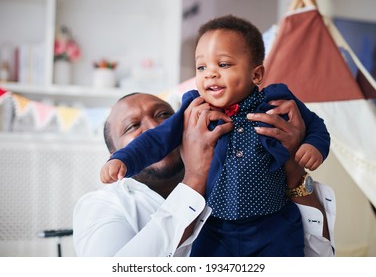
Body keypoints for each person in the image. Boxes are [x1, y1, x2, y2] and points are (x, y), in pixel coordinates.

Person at [100, 15, 331, 256]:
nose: (210, 74)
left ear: (257, 75)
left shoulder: (278, 101)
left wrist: (314, 147)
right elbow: (156, 138)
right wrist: (123, 159)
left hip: (274, 223)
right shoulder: (194, 112)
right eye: (201, 67)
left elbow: (315, 126)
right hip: (215, 227)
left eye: (223, 65)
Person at [73, 92, 335, 257]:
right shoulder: (104, 205)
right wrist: (195, 178)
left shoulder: (241, 178)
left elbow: (319, 257)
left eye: (165, 115)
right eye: (132, 126)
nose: (156, 127)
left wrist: (291, 164)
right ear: (114, 151)